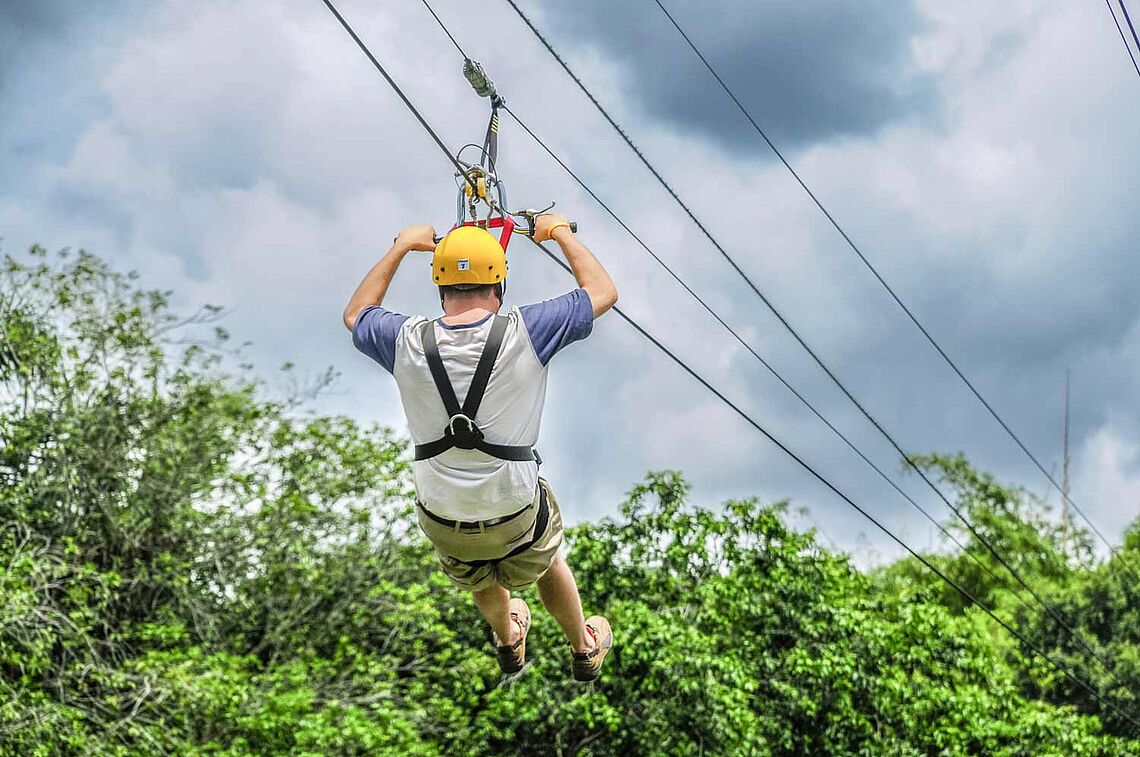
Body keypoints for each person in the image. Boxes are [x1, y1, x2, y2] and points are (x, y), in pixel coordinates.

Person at [342, 214, 618, 680]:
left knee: (474, 559)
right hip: (515, 511)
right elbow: (602, 292)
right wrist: (560, 233)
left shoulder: (407, 339)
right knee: (546, 552)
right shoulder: (525, 330)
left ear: (440, 287)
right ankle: (582, 646)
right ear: (499, 283)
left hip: (441, 514)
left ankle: (508, 638)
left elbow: (356, 314)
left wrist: (403, 246)